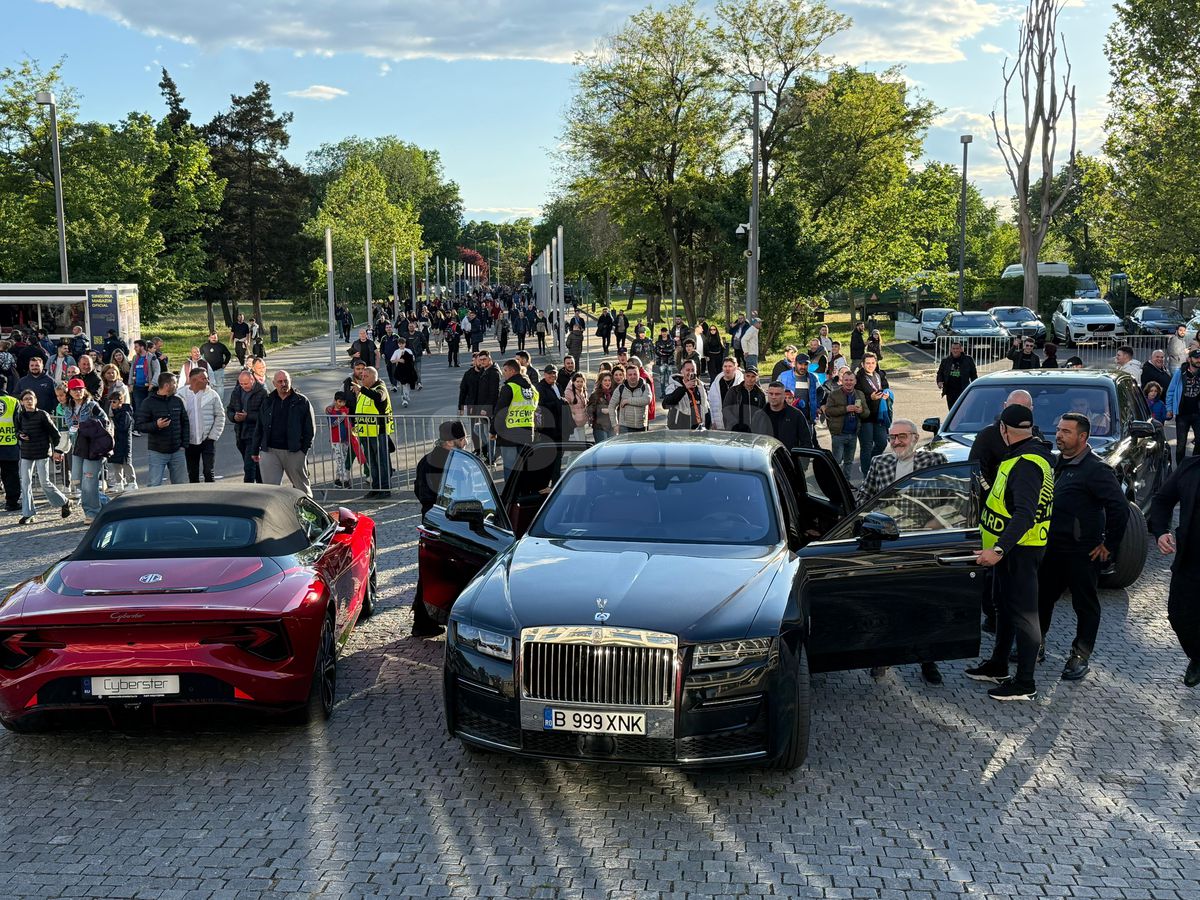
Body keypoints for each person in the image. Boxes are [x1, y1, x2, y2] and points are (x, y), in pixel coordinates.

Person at [965, 404, 1055, 701]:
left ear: (1004, 429)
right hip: (1009, 550)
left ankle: (1025, 682)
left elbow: (1024, 515)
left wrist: (999, 549)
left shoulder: (1026, 463)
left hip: (1019, 551)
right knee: (1005, 607)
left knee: (1025, 614)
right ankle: (999, 665)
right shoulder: (1023, 454)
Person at [1037, 413, 1128, 682]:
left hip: (1082, 553)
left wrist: (1108, 545)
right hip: (1052, 549)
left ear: (1082, 437)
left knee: (1085, 605)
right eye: (1058, 430)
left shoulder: (1096, 469)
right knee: (1042, 599)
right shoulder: (1054, 464)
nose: (1059, 435)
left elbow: (1119, 508)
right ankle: (1035, 644)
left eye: (1066, 431)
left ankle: (1080, 655)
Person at [1149, 453, 1200, 686]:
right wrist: (1161, 531)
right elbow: (1161, 500)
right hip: (1190, 558)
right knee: (1178, 614)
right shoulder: (1191, 467)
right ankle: (1197, 656)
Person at [252, 371, 316, 497]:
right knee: (270, 491)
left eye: (286, 381)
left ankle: (308, 514)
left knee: (302, 490)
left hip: (294, 451)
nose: (283, 384)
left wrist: (303, 451)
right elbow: (259, 426)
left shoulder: (301, 401)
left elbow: (310, 429)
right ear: (274, 383)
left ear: (290, 381)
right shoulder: (268, 400)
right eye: (280, 382)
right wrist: (255, 450)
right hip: (270, 451)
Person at [58, 378, 111, 522]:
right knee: (77, 481)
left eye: (80, 389)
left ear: (84, 390)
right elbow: (69, 426)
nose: (77, 392)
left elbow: (105, 422)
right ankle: (107, 503)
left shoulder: (92, 405)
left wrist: (86, 426)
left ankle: (91, 512)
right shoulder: (67, 407)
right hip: (78, 447)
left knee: (89, 480)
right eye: (74, 389)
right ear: (70, 391)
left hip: (93, 447)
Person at [14, 390, 70, 524]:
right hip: (27, 453)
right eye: (26, 399)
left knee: (44, 482)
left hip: (42, 452)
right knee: (25, 483)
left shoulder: (42, 415)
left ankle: (65, 501)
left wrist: (58, 451)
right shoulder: (20, 415)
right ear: (22, 402)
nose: (28, 401)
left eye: (31, 398)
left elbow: (55, 434)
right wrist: (20, 435)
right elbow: (17, 430)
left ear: (35, 400)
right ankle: (28, 514)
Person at [137, 372, 189, 487]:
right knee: (154, 484)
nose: (176, 385)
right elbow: (140, 425)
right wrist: (156, 425)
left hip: (177, 451)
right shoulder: (148, 402)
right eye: (174, 383)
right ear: (166, 385)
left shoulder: (177, 401)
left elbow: (185, 422)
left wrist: (183, 445)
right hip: (157, 451)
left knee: (180, 486)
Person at [492, 359, 539, 481]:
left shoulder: (509, 387)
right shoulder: (533, 389)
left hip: (509, 433)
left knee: (510, 468)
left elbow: (500, 411)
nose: (504, 373)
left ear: (513, 371)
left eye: (506, 370)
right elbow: (535, 408)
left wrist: (493, 430)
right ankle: (522, 495)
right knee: (523, 467)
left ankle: (510, 498)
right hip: (527, 432)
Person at [352, 366, 393, 499]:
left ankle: (385, 489)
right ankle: (375, 488)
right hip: (365, 432)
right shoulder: (365, 391)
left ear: (373, 377)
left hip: (378, 432)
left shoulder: (380, 388)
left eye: (365, 377)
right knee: (371, 463)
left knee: (381, 462)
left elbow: (379, 397)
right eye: (361, 377)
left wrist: (362, 390)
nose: (362, 379)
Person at [180, 367, 225, 483]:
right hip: (189, 441)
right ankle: (195, 498)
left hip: (207, 440)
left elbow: (220, 415)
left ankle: (211, 498)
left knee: (208, 471)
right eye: (204, 378)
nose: (207, 381)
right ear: (193, 380)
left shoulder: (212, 395)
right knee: (193, 473)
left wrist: (213, 436)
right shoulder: (180, 395)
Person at [457, 350, 501, 461]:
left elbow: (493, 393)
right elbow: (463, 390)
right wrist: (461, 406)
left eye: (484, 359)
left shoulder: (493, 372)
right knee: (477, 431)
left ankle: (492, 456)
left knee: (488, 433)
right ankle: (485, 451)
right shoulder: (480, 371)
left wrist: (485, 409)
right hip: (476, 407)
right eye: (479, 360)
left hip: (487, 409)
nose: (481, 361)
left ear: (489, 358)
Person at [226, 369, 266, 484]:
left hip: (254, 435)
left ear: (252, 380)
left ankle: (247, 492)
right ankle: (262, 486)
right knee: (255, 466)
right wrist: (234, 417)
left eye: (246, 384)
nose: (244, 386)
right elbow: (230, 409)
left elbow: (264, 415)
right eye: (241, 384)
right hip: (240, 433)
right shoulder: (237, 391)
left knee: (249, 468)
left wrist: (247, 417)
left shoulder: (262, 392)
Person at [854, 353, 892, 475]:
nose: (870, 365)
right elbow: (857, 398)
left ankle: (871, 463)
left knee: (882, 442)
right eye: (868, 363)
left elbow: (886, 388)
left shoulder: (879, 375)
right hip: (865, 416)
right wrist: (870, 397)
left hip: (879, 415)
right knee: (867, 446)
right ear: (862, 364)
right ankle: (867, 473)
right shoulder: (858, 378)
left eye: (873, 363)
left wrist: (886, 394)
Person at [825, 369, 867, 479]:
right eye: (846, 380)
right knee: (837, 461)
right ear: (842, 381)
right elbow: (828, 411)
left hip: (853, 434)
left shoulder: (859, 394)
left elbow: (867, 413)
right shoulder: (834, 394)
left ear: (855, 381)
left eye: (851, 380)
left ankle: (846, 483)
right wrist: (845, 409)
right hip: (839, 434)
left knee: (849, 461)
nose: (849, 382)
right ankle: (836, 483)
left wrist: (861, 411)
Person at [1165, 348, 1200, 462]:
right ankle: (1180, 470)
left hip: (1198, 413)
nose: (1198, 360)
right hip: (1182, 414)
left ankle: (1193, 467)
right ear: (1189, 359)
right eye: (1196, 358)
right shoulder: (1180, 373)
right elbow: (1171, 391)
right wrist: (1169, 408)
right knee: (1180, 445)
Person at [757, 381, 812, 451]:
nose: (773, 397)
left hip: (789, 459)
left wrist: (800, 459)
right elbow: (753, 440)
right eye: (771, 394)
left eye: (777, 394)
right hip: (764, 458)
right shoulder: (759, 415)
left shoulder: (796, 415)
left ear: (783, 395)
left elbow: (806, 442)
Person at [663, 360, 711, 431]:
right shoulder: (673, 386)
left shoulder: (701, 386)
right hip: (679, 430)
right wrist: (684, 388)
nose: (690, 372)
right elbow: (666, 403)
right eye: (687, 370)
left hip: (698, 430)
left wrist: (708, 425)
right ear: (682, 371)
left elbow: (706, 407)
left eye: (693, 370)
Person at [106, 386, 137, 493]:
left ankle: (132, 482)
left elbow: (123, 427)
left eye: (114, 402)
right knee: (116, 463)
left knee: (126, 462)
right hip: (116, 442)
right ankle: (119, 483)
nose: (112, 404)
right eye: (111, 402)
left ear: (120, 401)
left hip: (124, 442)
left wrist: (113, 423)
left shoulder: (125, 413)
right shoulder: (115, 413)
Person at [609, 363, 651, 434]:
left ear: (639, 375)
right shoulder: (620, 388)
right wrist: (614, 425)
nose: (633, 376)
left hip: (641, 426)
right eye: (630, 375)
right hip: (625, 427)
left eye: (635, 374)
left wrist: (627, 401)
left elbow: (646, 400)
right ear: (626, 376)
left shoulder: (645, 386)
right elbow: (611, 406)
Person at [936, 341, 978, 410]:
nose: (955, 350)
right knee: (952, 410)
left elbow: (973, 375)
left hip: (963, 389)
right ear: (951, 349)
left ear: (961, 349)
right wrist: (939, 381)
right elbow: (940, 373)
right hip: (950, 391)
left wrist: (975, 387)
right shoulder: (946, 361)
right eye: (953, 348)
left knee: (963, 409)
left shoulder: (968, 360)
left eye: (957, 348)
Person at [723, 367, 767, 432]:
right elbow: (726, 409)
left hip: (755, 430)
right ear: (744, 376)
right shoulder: (734, 391)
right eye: (748, 376)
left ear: (757, 378)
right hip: (737, 430)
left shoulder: (760, 393)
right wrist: (733, 422)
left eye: (753, 376)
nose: (750, 379)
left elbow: (763, 412)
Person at [706, 357, 743, 431]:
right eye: (725, 366)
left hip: (737, 423)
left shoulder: (741, 384)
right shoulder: (715, 384)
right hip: (719, 423)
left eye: (730, 366)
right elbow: (711, 404)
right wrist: (713, 422)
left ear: (735, 368)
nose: (727, 369)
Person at [0, 384, 19, 513]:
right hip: (9, 444)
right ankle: (11, 503)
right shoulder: (13, 401)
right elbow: (19, 421)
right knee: (11, 476)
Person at [391, 338, 418, 409]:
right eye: (399, 344)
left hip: (408, 370)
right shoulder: (396, 351)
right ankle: (404, 399)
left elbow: (413, 359)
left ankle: (407, 395)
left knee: (407, 384)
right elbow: (392, 360)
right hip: (400, 371)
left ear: (405, 344)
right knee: (402, 385)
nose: (401, 345)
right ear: (398, 344)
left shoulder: (408, 351)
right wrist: (399, 360)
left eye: (402, 344)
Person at [563, 372, 589, 441]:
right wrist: (573, 417)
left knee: (583, 443)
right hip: (574, 424)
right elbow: (566, 408)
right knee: (581, 444)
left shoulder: (584, 392)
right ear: (573, 382)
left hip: (582, 423)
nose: (579, 384)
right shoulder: (568, 392)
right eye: (577, 381)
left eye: (581, 382)